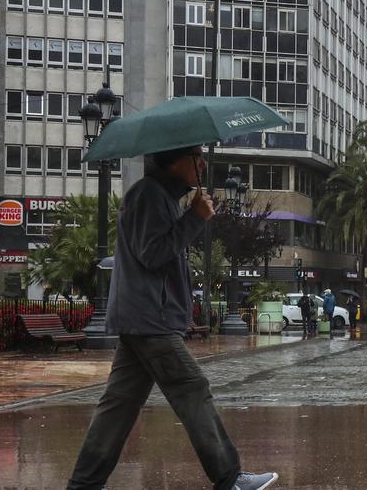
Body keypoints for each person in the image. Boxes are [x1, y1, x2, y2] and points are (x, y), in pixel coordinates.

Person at [66, 145, 277, 490]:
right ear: (175, 161)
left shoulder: (159, 196)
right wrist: (194, 218)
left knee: (118, 405)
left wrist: (189, 215)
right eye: (196, 156)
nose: (203, 163)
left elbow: (159, 248)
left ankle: (84, 484)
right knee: (192, 389)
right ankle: (229, 478)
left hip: (144, 316)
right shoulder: (149, 195)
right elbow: (153, 253)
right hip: (151, 319)